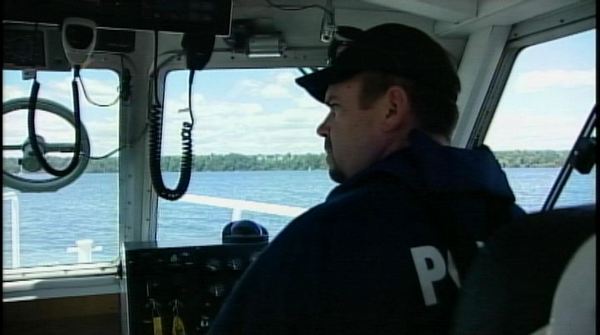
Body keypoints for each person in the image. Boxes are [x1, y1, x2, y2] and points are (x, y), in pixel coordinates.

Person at [208, 23, 525, 335]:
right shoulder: (518, 231)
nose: (323, 127)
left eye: (335, 107)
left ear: (392, 108)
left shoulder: (326, 238)